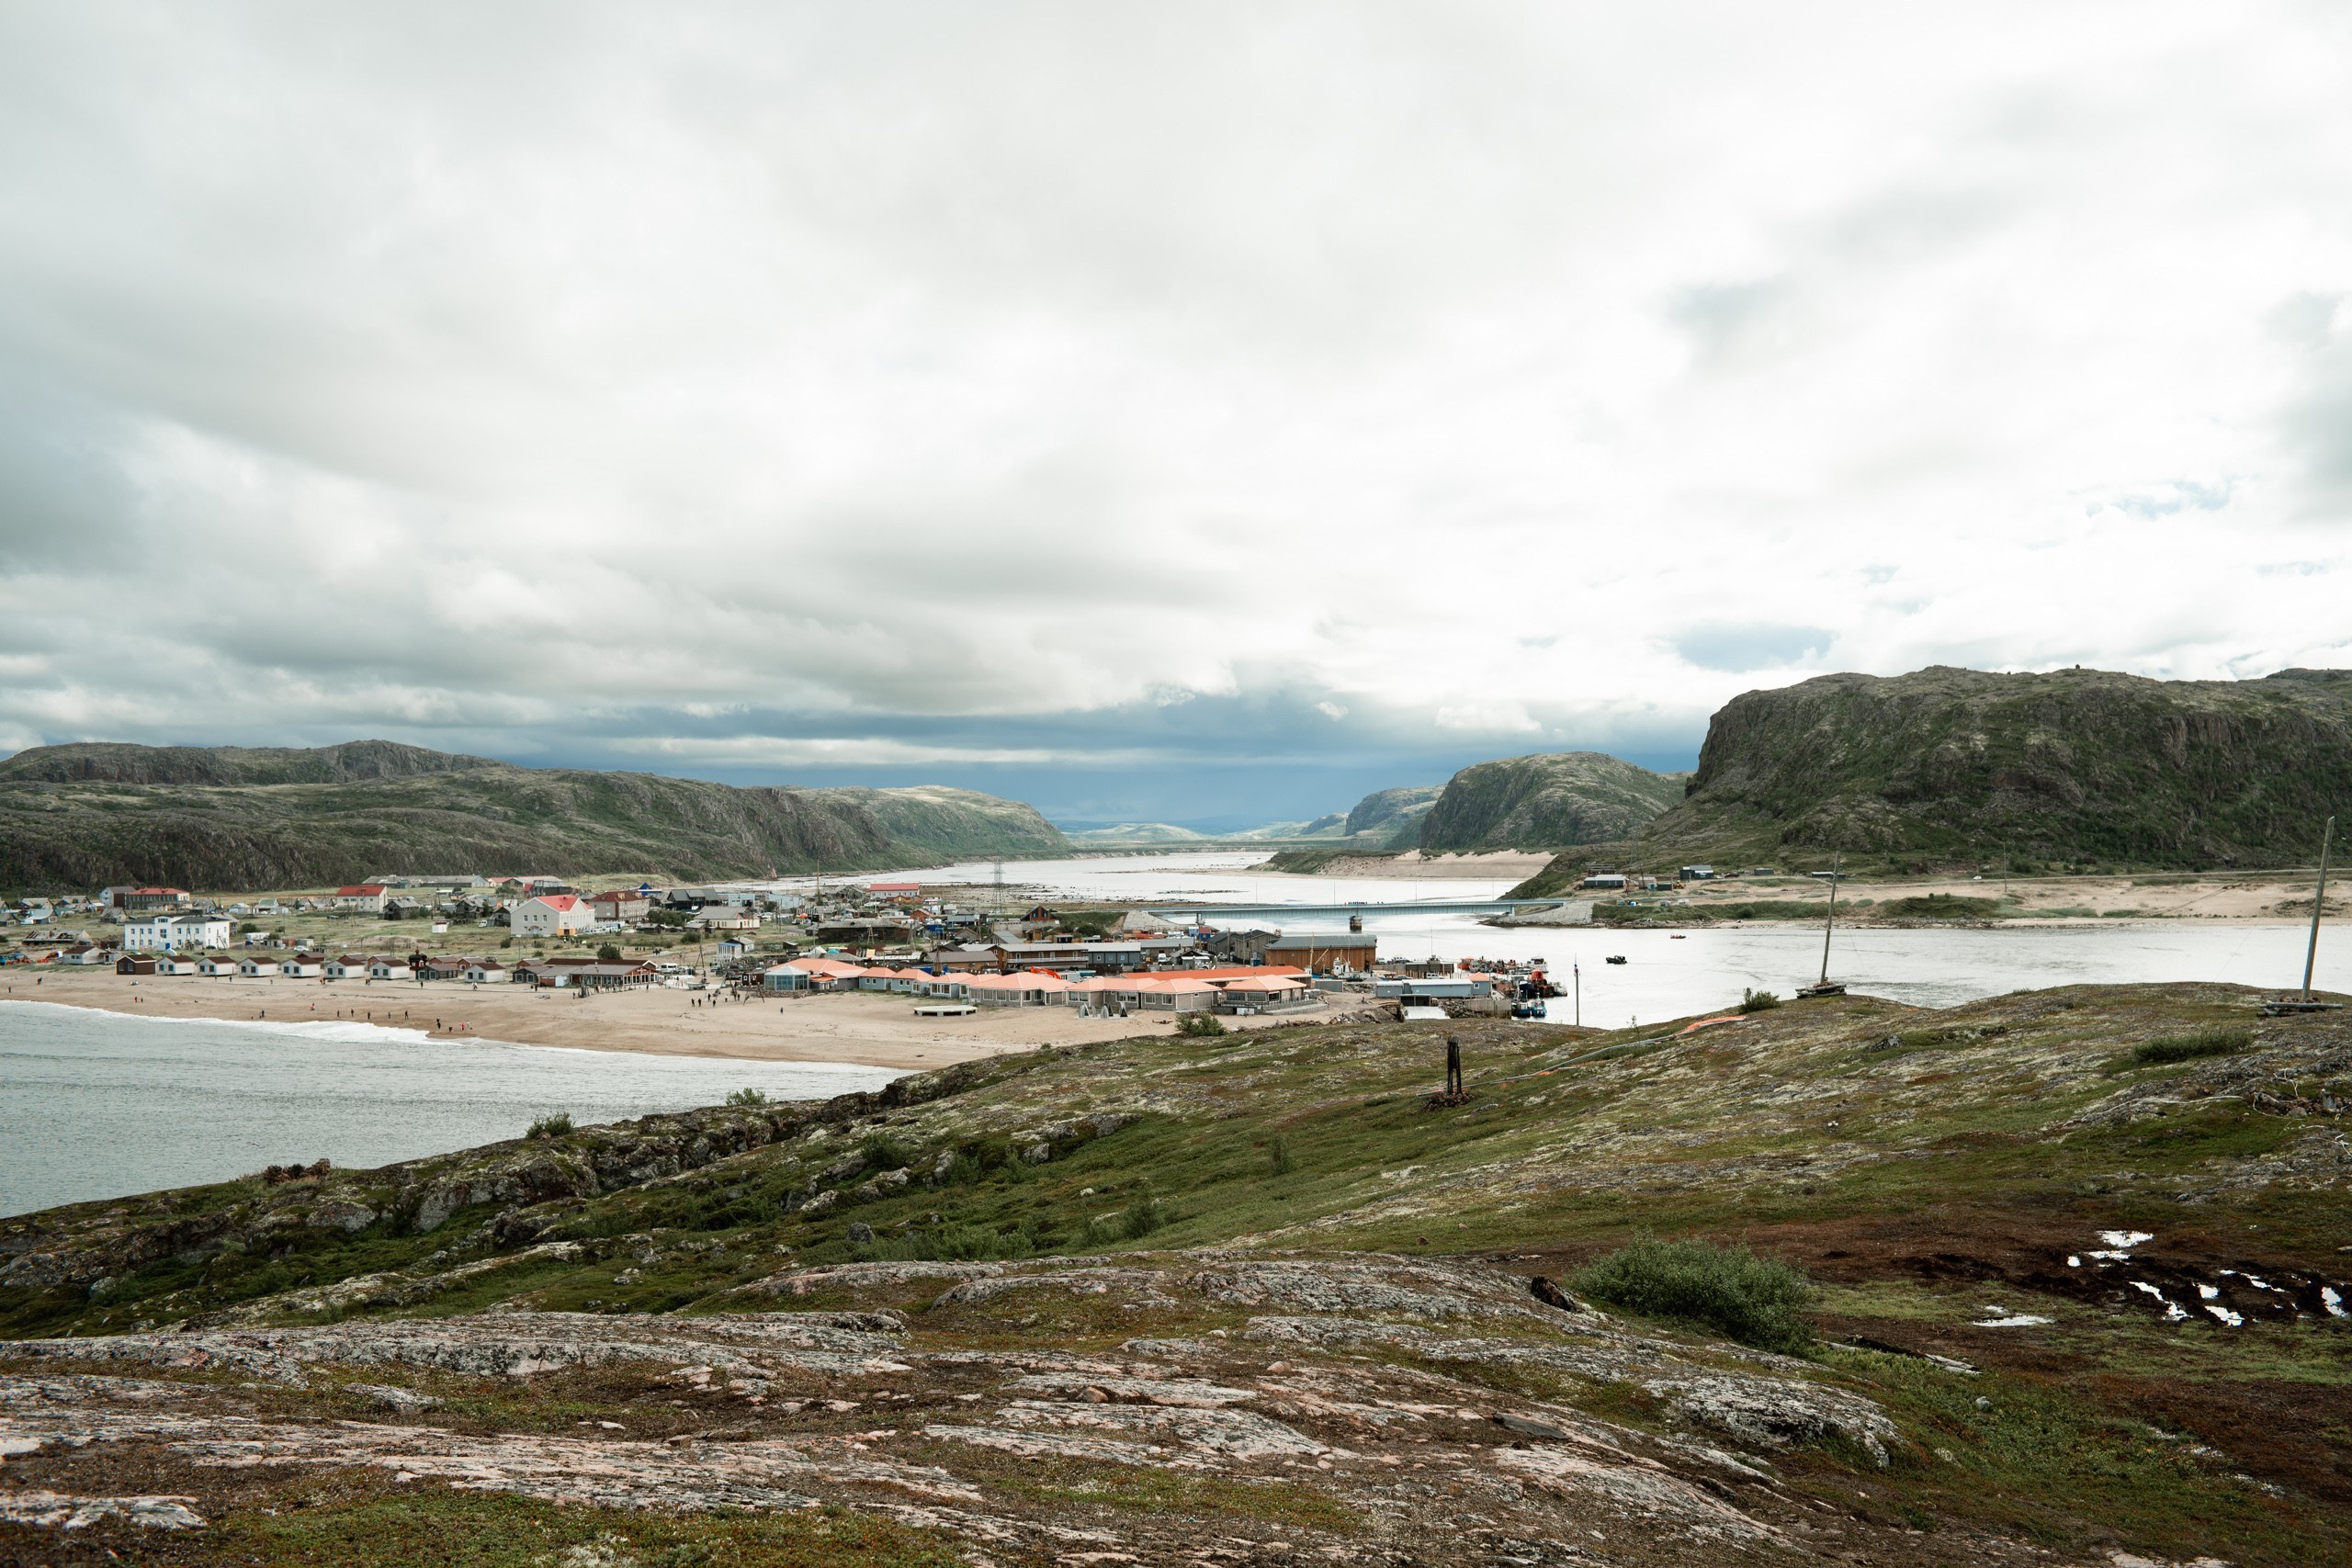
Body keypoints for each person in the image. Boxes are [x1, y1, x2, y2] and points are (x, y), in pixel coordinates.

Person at [1445, 1034, 1463, 1098]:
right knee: (1450, 1074)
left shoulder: (1455, 1048)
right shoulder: (1451, 1047)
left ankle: (1458, 1091)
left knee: (1456, 1074)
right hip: (1451, 1058)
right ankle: (1450, 1091)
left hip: (1454, 1057)